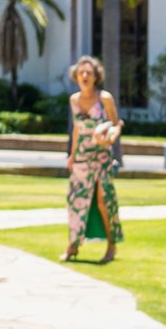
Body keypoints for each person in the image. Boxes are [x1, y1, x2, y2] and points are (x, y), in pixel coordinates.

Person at [61, 55, 122, 263]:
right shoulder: (74, 100)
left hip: (102, 156)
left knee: (104, 200)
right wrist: (72, 154)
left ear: (96, 76)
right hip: (81, 157)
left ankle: (111, 245)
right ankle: (73, 245)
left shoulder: (105, 98)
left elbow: (116, 124)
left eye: (89, 72)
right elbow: (77, 130)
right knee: (76, 200)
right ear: (76, 76)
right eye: (81, 72)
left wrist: (110, 137)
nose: (85, 76)